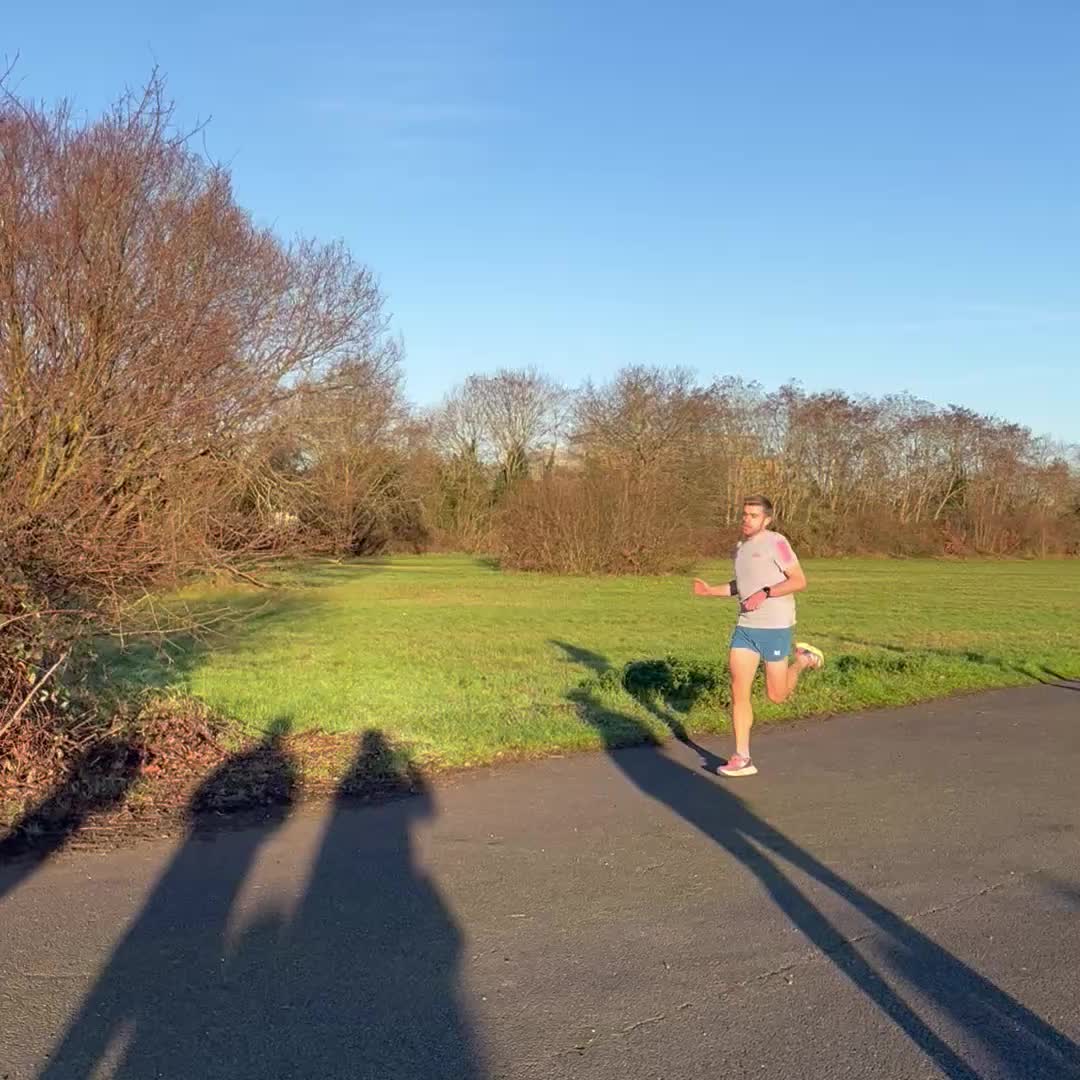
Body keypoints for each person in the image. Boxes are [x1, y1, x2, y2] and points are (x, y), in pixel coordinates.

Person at [693, 495, 824, 777]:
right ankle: (742, 757)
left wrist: (766, 593)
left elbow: (799, 581)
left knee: (776, 696)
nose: (746, 520)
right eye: (744, 515)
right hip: (746, 628)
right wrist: (710, 591)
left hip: (776, 627)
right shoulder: (739, 548)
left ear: (767, 519)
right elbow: (741, 587)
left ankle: (802, 660)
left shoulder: (777, 542)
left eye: (753, 515)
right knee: (738, 689)